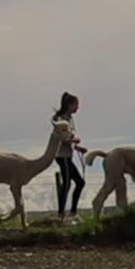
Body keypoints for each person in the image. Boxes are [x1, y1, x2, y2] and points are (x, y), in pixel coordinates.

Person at [51, 92, 86, 223]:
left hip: (67, 155)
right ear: (69, 105)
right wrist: (74, 140)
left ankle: (70, 213)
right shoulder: (61, 119)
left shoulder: (69, 119)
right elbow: (63, 138)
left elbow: (68, 139)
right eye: (76, 104)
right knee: (68, 183)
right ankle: (63, 214)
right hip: (62, 156)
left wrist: (77, 148)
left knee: (78, 183)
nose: (78, 107)